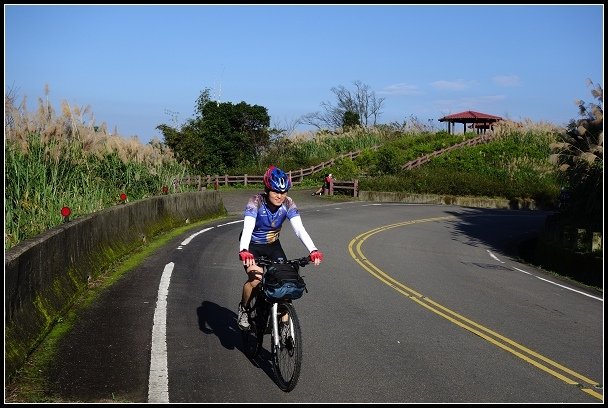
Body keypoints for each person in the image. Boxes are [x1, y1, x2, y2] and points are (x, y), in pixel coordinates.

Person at [237, 165, 324, 330]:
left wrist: (313, 250)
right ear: (267, 189)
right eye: (275, 191)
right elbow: (247, 228)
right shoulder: (256, 201)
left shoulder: (288, 203)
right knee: (256, 280)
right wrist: (244, 250)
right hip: (252, 246)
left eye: (283, 192)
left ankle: (285, 328)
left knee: (285, 282)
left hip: (272, 246)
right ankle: (244, 308)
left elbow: (299, 229)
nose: (279, 196)